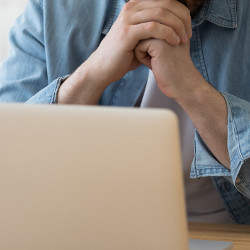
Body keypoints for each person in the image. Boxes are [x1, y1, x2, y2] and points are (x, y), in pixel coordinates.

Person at [0, 0, 249, 224]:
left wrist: (192, 90)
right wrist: (92, 75)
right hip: (81, 233)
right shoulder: (52, 9)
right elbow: (7, 171)